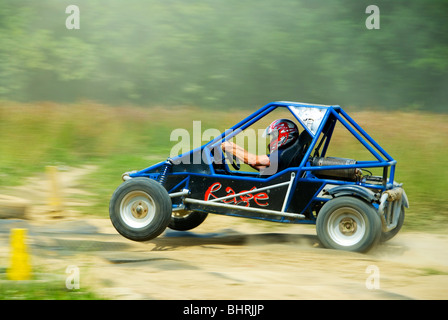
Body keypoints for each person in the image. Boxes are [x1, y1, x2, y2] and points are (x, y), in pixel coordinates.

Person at [221, 119, 300, 174]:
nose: (272, 140)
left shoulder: (281, 154)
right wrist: (235, 148)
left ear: (283, 136)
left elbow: (253, 160)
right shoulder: (288, 152)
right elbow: (257, 164)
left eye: (273, 136)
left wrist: (230, 149)